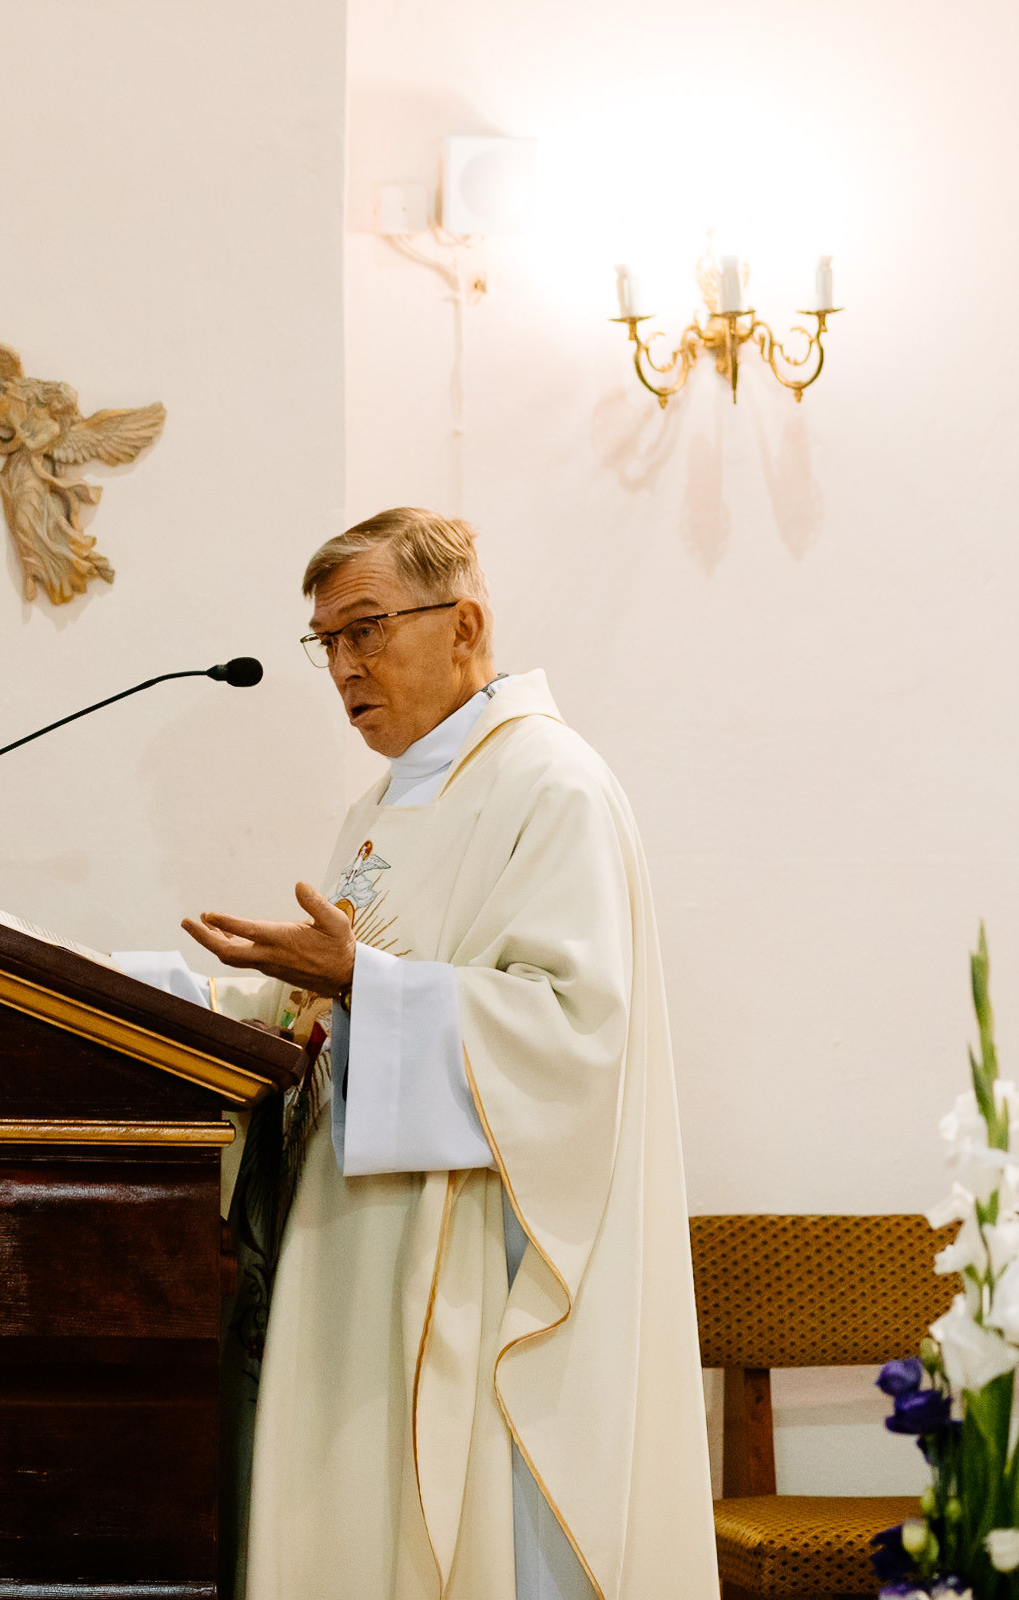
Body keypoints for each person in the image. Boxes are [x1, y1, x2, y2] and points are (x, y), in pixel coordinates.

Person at [182, 508, 715, 1600]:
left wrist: (362, 984)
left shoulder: (551, 786)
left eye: (366, 629)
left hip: (475, 1275)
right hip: (356, 1259)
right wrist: (241, 1009)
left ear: (464, 622)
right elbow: (356, 999)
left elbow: (575, 1033)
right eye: (326, 641)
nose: (343, 665)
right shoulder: (379, 806)